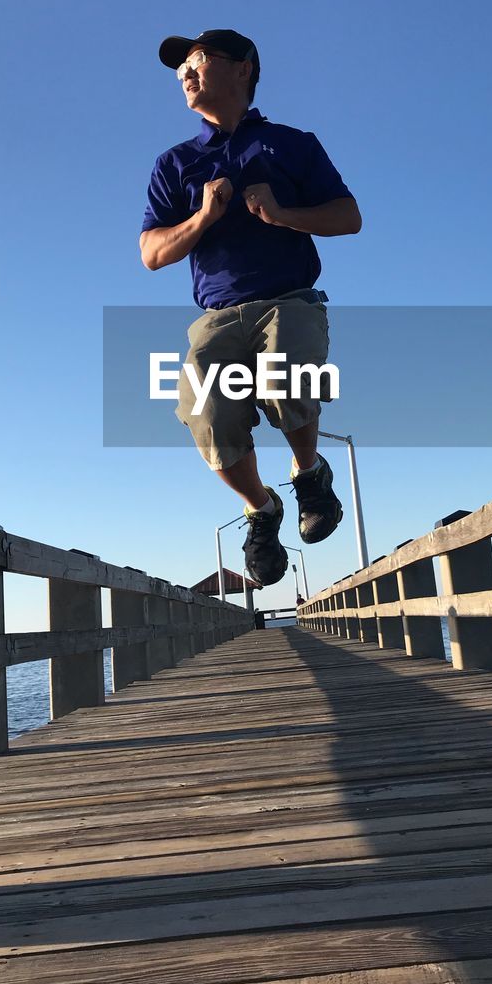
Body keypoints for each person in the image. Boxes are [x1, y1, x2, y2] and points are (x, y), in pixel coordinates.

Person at [140, 29, 361, 585]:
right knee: (210, 417)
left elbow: (347, 216)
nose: (185, 74)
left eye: (199, 61)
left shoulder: (292, 143)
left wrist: (285, 214)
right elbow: (151, 253)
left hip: (289, 297)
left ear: (243, 69)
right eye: (179, 69)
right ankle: (262, 510)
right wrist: (203, 219)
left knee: (286, 379)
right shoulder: (175, 163)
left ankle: (309, 474)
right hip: (215, 316)